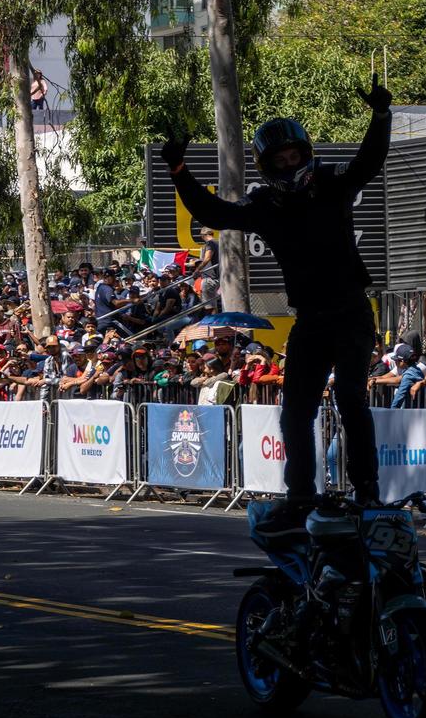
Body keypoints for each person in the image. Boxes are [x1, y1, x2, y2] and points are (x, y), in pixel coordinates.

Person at [163, 75, 391, 532]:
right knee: (295, 412)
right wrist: (179, 170)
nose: (289, 164)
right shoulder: (265, 204)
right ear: (267, 166)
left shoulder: (330, 183)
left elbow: (368, 162)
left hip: (350, 312)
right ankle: (301, 495)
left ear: (307, 155)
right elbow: (215, 213)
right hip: (308, 319)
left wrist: (381, 115)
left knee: (350, 397)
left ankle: (367, 490)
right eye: (280, 160)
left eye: (295, 156)